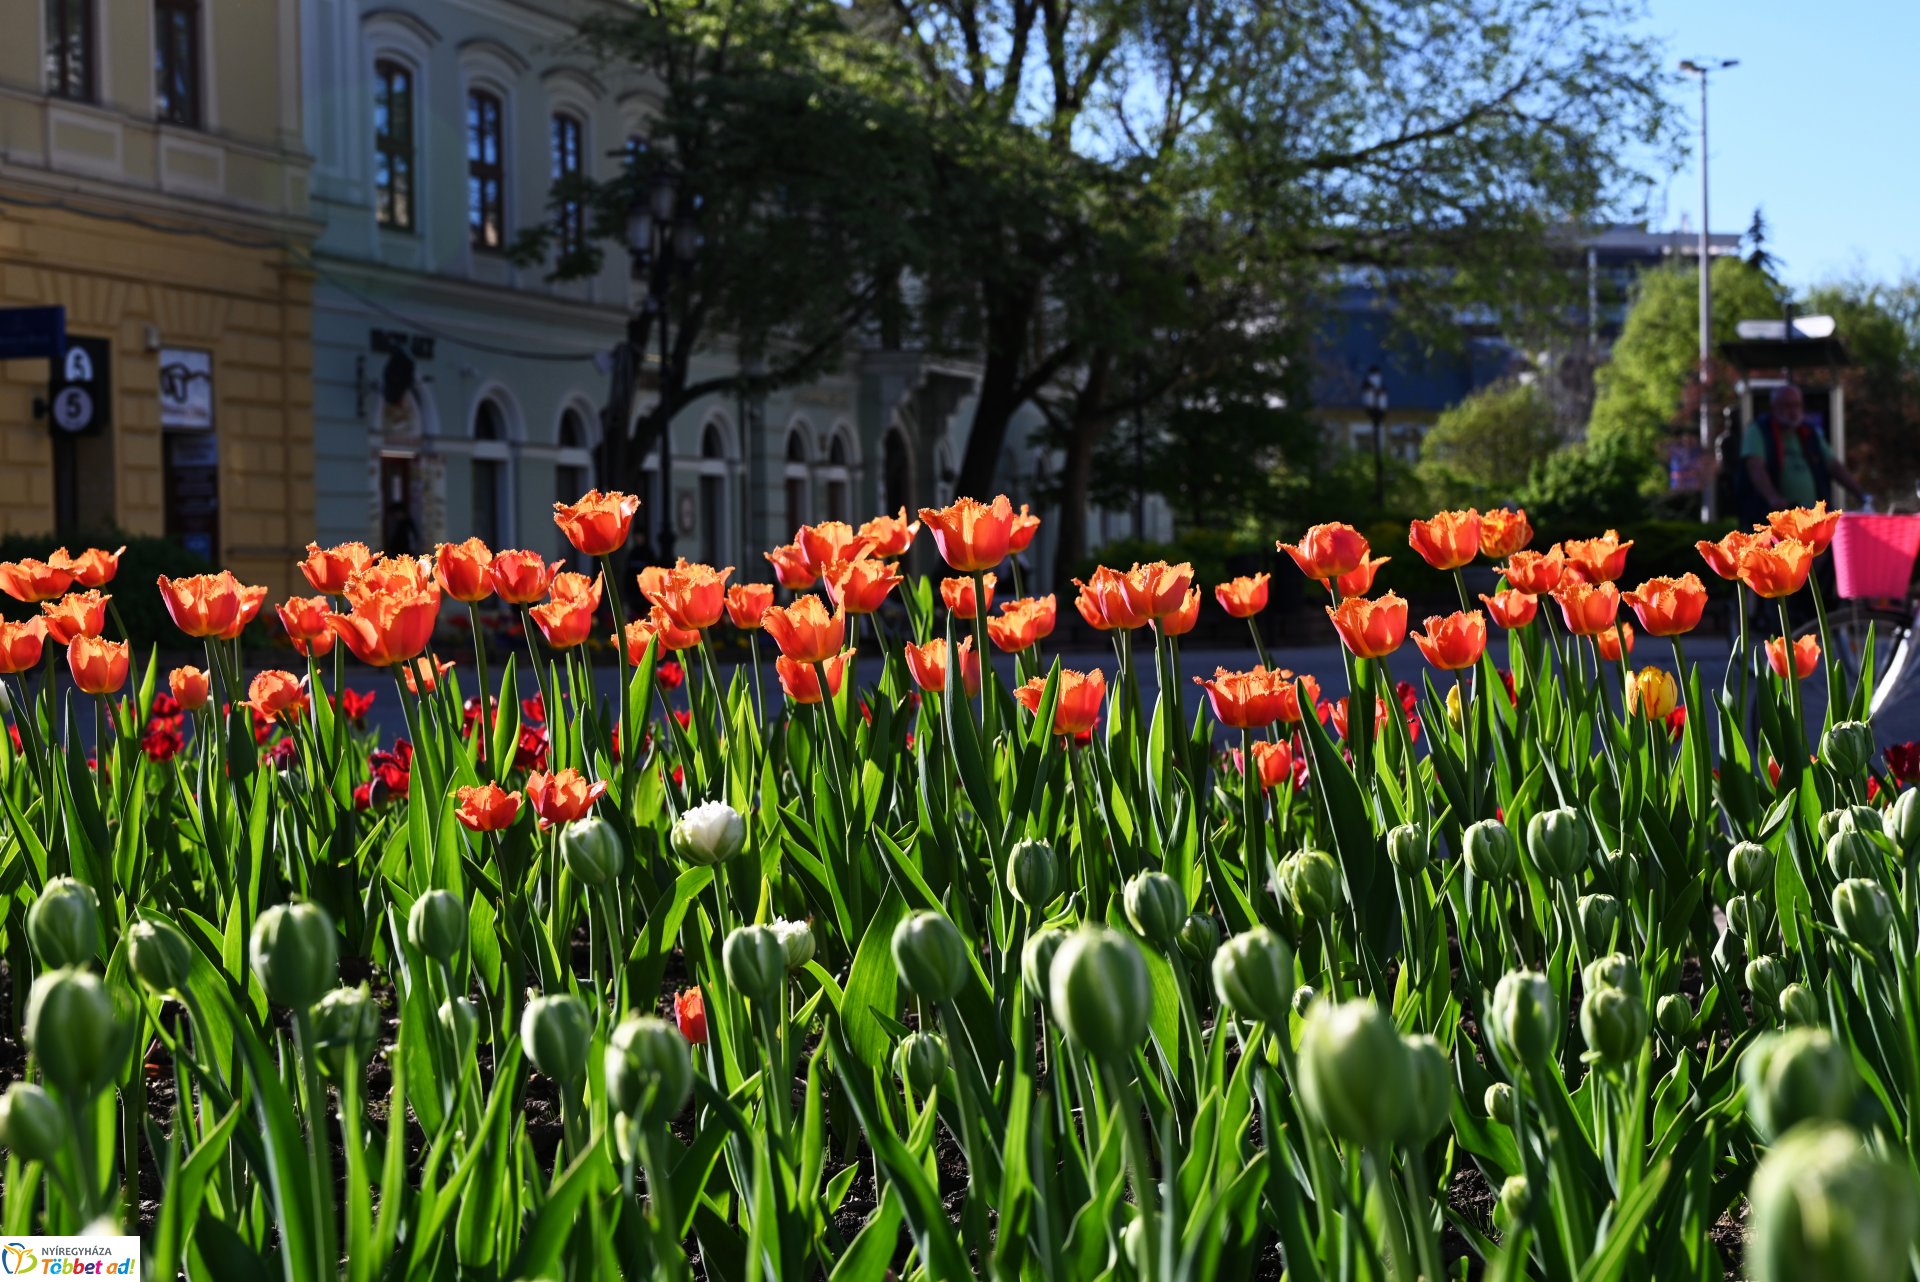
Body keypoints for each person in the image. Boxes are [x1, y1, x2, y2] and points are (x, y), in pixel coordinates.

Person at [1736, 384, 1866, 525]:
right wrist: (1773, 498)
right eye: (1787, 405)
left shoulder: (1809, 433)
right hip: (1773, 520)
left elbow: (1834, 466)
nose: (1793, 411)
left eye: (1797, 405)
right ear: (1774, 407)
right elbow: (1755, 467)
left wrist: (1861, 495)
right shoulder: (1759, 430)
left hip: (1812, 519)